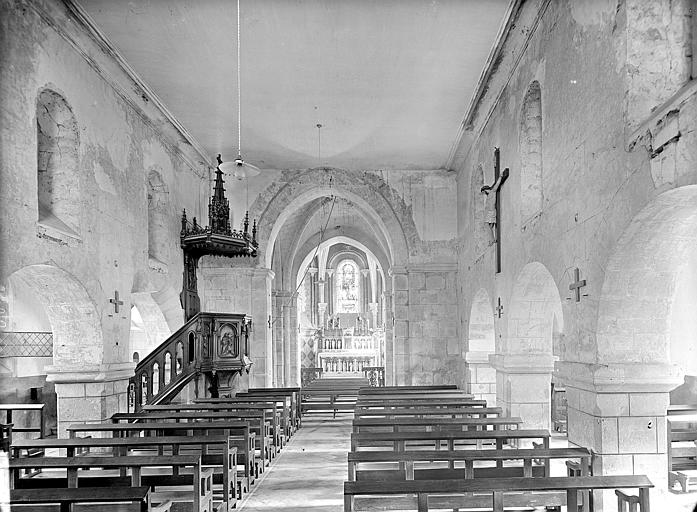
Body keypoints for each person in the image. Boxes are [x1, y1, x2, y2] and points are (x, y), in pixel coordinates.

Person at [480, 169, 508, 243]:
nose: (484, 193)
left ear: (486, 190)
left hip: (490, 211)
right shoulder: (489, 195)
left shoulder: (492, 192)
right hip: (489, 211)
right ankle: (491, 239)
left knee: (487, 225)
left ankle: (492, 239)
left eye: (484, 191)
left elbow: (497, 185)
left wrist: (500, 177)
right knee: (490, 226)